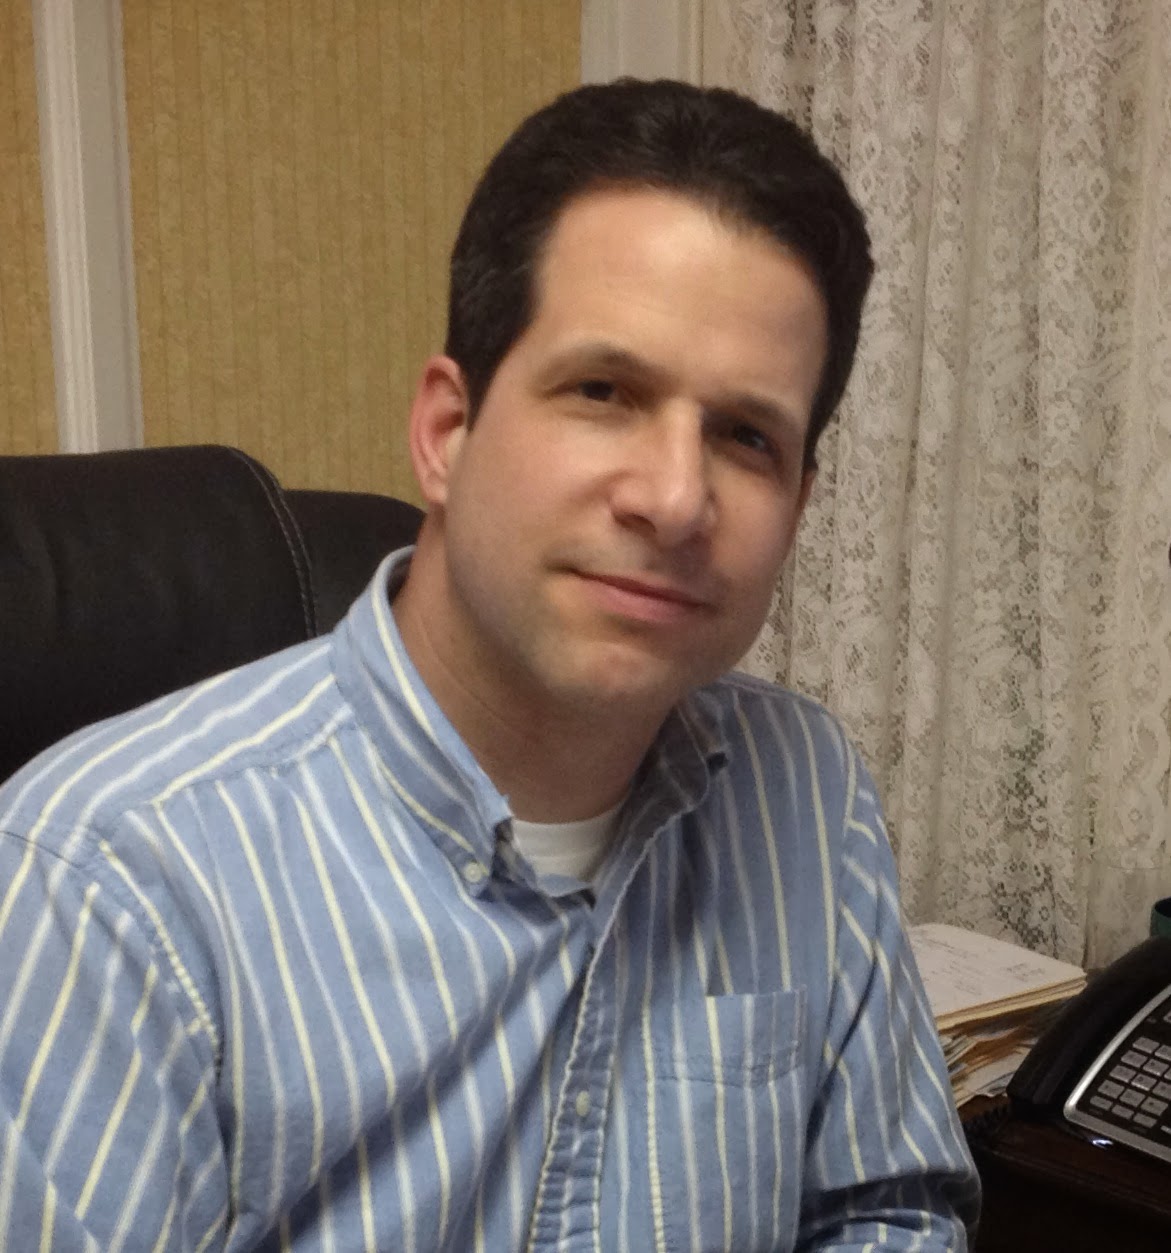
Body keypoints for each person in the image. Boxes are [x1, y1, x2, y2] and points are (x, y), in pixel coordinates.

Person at [0, 79, 978, 1251]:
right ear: (445, 433)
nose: (676, 498)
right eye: (604, 391)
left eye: (745, 435)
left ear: (798, 503)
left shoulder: (805, 788)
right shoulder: (108, 881)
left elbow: (886, 1209)